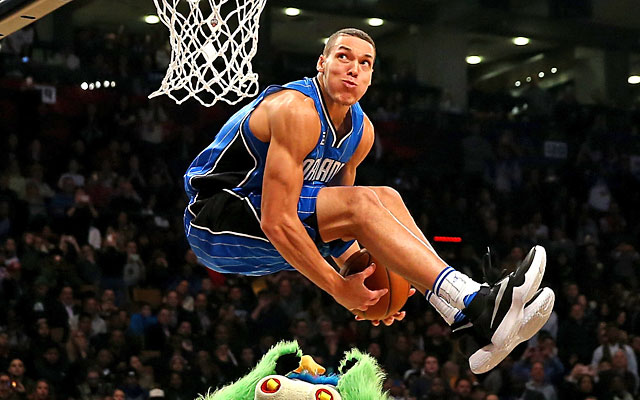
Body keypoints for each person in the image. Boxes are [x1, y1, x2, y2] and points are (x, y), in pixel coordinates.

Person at [183, 27, 554, 373]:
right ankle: (475, 299)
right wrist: (336, 286)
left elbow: (338, 223)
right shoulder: (295, 109)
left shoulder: (361, 132)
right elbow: (277, 220)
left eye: (365, 63)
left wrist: (370, 280)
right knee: (362, 203)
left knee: (385, 197)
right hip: (215, 217)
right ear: (322, 63)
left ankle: (462, 320)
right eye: (343, 57)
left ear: (372, 76)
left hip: (267, 219)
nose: (354, 69)